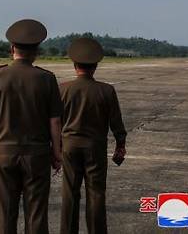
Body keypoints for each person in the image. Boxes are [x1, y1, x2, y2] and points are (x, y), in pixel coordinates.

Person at [0, 19, 63, 234]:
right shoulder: (46, 79)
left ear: (11, 49)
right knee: (36, 213)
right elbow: (54, 121)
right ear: (36, 51)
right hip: (37, 155)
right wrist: (57, 153)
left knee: (5, 212)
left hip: (5, 153)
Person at [59, 37, 127, 234]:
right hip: (95, 147)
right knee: (96, 194)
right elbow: (116, 122)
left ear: (74, 65)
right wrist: (120, 145)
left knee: (69, 194)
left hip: (69, 146)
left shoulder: (63, 89)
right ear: (95, 66)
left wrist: (54, 148)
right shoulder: (106, 90)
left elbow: (55, 122)